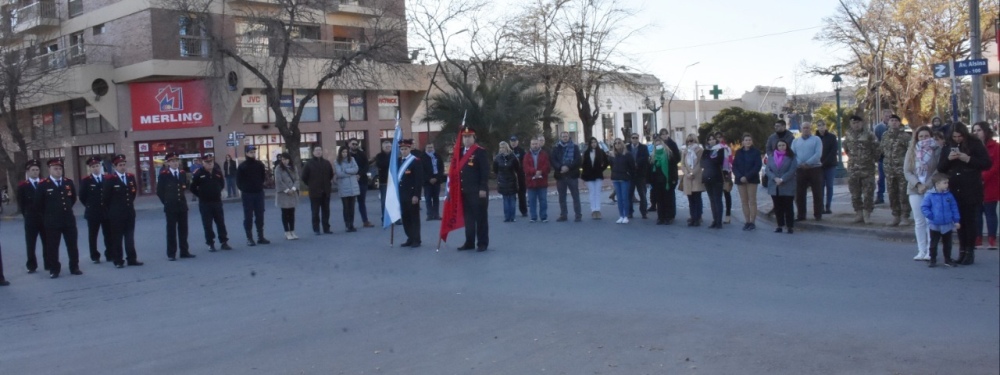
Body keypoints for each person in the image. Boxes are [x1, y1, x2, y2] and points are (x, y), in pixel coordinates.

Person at [937, 122, 992, 265]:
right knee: (959, 221)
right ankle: (961, 250)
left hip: (971, 186)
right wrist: (949, 159)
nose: (957, 139)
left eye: (960, 136)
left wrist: (967, 158)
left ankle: (969, 251)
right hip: (955, 186)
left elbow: (986, 163)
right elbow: (941, 167)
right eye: (954, 136)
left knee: (970, 220)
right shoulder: (948, 145)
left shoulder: (974, 143)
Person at [36, 158, 82, 278]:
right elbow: (38, 204)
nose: (58, 171)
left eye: (60, 168)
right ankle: (54, 269)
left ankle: (74, 267)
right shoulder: (43, 185)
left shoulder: (68, 182)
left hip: (68, 219)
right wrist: (49, 215)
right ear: (49, 169)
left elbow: (72, 199)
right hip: (52, 221)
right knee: (52, 246)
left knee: (72, 244)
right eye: (55, 168)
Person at [903, 126, 940, 261]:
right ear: (917, 137)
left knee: (930, 221)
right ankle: (921, 250)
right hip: (915, 189)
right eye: (921, 136)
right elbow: (907, 171)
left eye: (926, 136)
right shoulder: (912, 151)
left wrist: (926, 185)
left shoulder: (936, 150)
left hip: (931, 188)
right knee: (919, 221)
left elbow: (938, 170)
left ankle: (931, 251)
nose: (924, 139)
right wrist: (918, 184)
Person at [102, 154, 144, 267]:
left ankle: (132, 259)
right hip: (116, 214)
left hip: (129, 212)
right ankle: (118, 260)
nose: (123, 167)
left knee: (130, 237)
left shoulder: (130, 177)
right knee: (117, 238)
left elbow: (133, 193)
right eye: (120, 165)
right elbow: (105, 198)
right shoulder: (110, 179)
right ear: (115, 167)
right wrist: (112, 210)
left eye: (124, 164)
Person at [456, 128, 490, 251]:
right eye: (464, 137)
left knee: (480, 218)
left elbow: (485, 172)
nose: (467, 139)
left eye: (469, 137)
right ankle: (469, 242)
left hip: (477, 191)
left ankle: (482, 243)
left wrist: (482, 188)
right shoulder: (459, 152)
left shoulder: (479, 152)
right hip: (464, 191)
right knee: (468, 219)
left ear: (474, 138)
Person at [189, 153, 231, 251]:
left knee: (220, 223)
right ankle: (210, 243)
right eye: (207, 162)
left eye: (211, 161)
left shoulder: (217, 172)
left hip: (217, 202)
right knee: (207, 224)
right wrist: (201, 195)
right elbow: (192, 187)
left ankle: (224, 242)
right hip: (205, 203)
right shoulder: (199, 173)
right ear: (203, 163)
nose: (209, 164)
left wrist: (217, 192)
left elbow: (221, 184)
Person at [157, 153, 195, 261]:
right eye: (172, 161)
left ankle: (184, 251)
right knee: (171, 230)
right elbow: (160, 191)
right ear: (168, 163)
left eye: (176, 161)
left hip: (182, 205)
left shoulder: (182, 173)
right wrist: (167, 202)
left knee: (183, 230)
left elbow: (184, 188)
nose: (175, 163)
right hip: (171, 206)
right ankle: (171, 253)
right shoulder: (164, 175)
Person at [843, 115, 879, 224]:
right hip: (853, 169)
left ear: (862, 123)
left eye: (858, 122)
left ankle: (867, 214)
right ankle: (858, 213)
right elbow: (846, 149)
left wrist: (871, 160)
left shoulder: (869, 134)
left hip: (867, 169)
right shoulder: (848, 134)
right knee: (855, 193)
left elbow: (876, 149)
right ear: (851, 124)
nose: (856, 125)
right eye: (853, 123)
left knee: (868, 193)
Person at [922, 174, 961, 267]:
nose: (947, 184)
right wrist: (930, 216)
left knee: (947, 243)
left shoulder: (949, 195)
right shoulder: (930, 195)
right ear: (937, 184)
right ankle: (933, 259)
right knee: (933, 243)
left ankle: (947, 259)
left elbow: (954, 208)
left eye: (947, 182)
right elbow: (924, 207)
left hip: (947, 224)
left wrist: (956, 220)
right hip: (935, 224)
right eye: (945, 183)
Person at [880, 115, 911, 226]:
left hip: (901, 169)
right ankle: (895, 215)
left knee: (903, 193)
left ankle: (905, 216)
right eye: (891, 120)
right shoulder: (885, 135)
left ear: (899, 123)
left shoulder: (905, 136)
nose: (894, 123)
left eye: (896, 121)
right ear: (888, 122)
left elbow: (910, 152)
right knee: (892, 193)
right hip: (889, 169)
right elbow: (882, 150)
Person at [79, 156, 111, 264]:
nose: (95, 168)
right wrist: (90, 206)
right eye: (93, 167)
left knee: (108, 234)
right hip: (92, 213)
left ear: (100, 166)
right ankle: (95, 255)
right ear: (90, 168)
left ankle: (109, 253)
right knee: (93, 236)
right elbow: (82, 196)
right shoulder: (86, 181)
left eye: (97, 166)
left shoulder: (106, 179)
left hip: (106, 211)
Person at [972, 122, 998, 250]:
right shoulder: (971, 147)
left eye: (979, 130)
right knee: (977, 212)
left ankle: (992, 239)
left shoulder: (995, 147)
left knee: (990, 212)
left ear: (985, 131)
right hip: (975, 184)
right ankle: (978, 238)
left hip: (990, 184)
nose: (976, 132)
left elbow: (995, 166)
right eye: (974, 130)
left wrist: (983, 177)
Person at [237, 145, 270, 246]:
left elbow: (262, 177)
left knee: (260, 215)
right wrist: (246, 189)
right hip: (247, 194)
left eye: (254, 152)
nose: (253, 154)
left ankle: (260, 236)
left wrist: (259, 186)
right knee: (248, 217)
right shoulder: (242, 166)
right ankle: (249, 238)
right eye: (251, 152)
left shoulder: (259, 164)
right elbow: (238, 181)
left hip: (259, 193)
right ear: (246, 153)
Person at [18, 159, 46, 273]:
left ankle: (48, 263)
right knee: (30, 243)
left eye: (37, 170)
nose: (35, 172)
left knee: (47, 242)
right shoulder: (23, 186)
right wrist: (27, 215)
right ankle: (32, 265)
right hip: (31, 218)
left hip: (44, 218)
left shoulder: (44, 184)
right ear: (28, 172)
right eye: (33, 170)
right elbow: (21, 203)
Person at [792, 122, 824, 221]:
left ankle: (818, 215)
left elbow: (818, 154)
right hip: (800, 169)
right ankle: (801, 215)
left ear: (811, 129)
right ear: (801, 129)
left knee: (817, 193)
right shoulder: (795, 141)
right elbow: (792, 155)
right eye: (804, 128)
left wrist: (808, 163)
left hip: (815, 169)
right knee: (800, 194)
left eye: (808, 128)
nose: (806, 129)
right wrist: (800, 163)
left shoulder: (816, 139)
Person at [766, 139, 798, 234]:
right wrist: (775, 178)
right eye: (779, 145)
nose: (781, 147)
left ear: (786, 146)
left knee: (788, 206)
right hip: (774, 185)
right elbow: (768, 170)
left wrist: (782, 179)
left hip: (787, 184)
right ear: (776, 147)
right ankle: (779, 225)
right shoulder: (771, 157)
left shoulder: (791, 157)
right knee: (778, 207)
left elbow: (792, 170)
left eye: (783, 145)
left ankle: (790, 226)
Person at [301, 146, 334, 235]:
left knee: (326, 211)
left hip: (326, 191)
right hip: (314, 191)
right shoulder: (309, 164)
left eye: (320, 150)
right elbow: (304, 177)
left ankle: (326, 228)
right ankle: (316, 229)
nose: (318, 152)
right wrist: (311, 184)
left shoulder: (326, 163)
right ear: (313, 152)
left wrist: (327, 184)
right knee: (315, 212)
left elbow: (331, 174)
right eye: (316, 150)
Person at [733, 133, 763, 231]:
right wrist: (740, 176)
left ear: (752, 141)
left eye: (749, 140)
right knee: (744, 201)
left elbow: (757, 166)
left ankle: (753, 222)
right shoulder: (738, 152)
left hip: (752, 179)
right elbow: (734, 166)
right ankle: (747, 221)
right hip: (740, 179)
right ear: (742, 142)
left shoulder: (756, 152)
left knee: (752, 201)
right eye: (746, 140)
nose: (748, 142)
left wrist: (747, 176)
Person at [397, 139, 424, 247]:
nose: (403, 151)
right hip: (402, 194)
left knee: (414, 218)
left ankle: (416, 239)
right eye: (402, 149)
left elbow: (419, 180)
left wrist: (416, 195)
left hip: (411, 194)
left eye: (405, 149)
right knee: (405, 218)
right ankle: (410, 237)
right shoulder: (399, 161)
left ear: (410, 149)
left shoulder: (415, 161)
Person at [552, 131, 583, 222]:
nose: (565, 137)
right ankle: (563, 215)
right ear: (560, 137)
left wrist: (568, 167)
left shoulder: (575, 147)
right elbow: (553, 160)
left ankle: (578, 215)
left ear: (569, 137)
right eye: (563, 136)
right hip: (560, 175)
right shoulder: (556, 147)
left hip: (572, 175)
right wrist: (560, 167)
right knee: (562, 196)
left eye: (566, 136)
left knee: (575, 196)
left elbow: (578, 160)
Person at [523, 137, 552, 223]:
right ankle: (533, 217)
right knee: (532, 201)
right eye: (533, 144)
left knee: (543, 200)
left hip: (542, 181)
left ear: (539, 144)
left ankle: (543, 216)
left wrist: (540, 172)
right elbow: (525, 167)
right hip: (531, 181)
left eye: (536, 144)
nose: (535, 145)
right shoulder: (526, 155)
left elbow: (547, 166)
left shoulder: (544, 154)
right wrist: (534, 172)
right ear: (530, 145)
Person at [702, 134, 727, 229]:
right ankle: (714, 220)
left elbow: (719, 161)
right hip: (708, 176)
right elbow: (702, 162)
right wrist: (710, 160)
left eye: (713, 139)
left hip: (717, 176)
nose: (711, 141)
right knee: (711, 199)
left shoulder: (720, 150)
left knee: (717, 199)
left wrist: (711, 160)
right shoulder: (706, 151)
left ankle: (719, 221)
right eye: (709, 139)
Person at [273, 153, 300, 240]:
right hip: (283, 194)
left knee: (292, 213)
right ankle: (287, 232)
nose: (285, 161)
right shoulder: (278, 168)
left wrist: (293, 188)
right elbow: (278, 181)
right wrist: (287, 190)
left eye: (286, 159)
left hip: (293, 192)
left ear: (289, 159)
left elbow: (297, 179)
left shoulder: (293, 167)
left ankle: (292, 231)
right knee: (285, 213)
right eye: (283, 159)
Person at [348, 138, 374, 228]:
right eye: (353, 144)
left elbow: (366, 166)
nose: (354, 145)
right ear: (349, 144)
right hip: (350, 181)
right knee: (350, 203)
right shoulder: (346, 155)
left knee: (361, 201)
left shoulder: (362, 154)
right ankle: (350, 223)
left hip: (362, 181)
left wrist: (359, 174)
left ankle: (365, 221)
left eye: (356, 144)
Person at [581, 137, 609, 220]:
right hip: (589, 176)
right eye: (592, 142)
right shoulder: (586, 153)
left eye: (595, 142)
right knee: (592, 193)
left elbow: (607, 162)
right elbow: (584, 165)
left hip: (598, 175)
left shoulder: (601, 152)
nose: (594, 144)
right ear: (590, 144)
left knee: (597, 193)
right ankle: (593, 209)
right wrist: (583, 177)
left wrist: (601, 169)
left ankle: (598, 209)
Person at [609, 139, 635, 224]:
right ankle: (621, 215)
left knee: (625, 198)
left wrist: (629, 174)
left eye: (619, 143)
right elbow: (611, 166)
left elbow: (632, 167)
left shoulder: (628, 154)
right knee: (619, 198)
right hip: (616, 178)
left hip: (624, 178)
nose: (617, 144)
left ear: (622, 144)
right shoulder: (613, 155)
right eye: (615, 143)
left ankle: (626, 215)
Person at [335, 146, 361, 232]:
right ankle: (347, 224)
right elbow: (339, 174)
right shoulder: (337, 161)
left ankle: (352, 224)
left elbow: (356, 169)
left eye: (346, 152)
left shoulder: (352, 159)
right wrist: (351, 173)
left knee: (352, 207)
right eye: (343, 152)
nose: (344, 154)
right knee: (346, 207)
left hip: (353, 187)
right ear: (340, 153)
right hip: (343, 187)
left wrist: (346, 170)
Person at [681, 134, 705, 227]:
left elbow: (700, 163)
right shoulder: (685, 151)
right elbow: (682, 164)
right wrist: (687, 173)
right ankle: (692, 217)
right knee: (690, 199)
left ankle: (698, 217)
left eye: (692, 141)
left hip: (696, 176)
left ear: (696, 141)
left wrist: (692, 173)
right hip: (688, 178)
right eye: (688, 141)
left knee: (697, 198)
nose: (690, 143)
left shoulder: (700, 150)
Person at [494, 141, 521, 223]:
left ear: (506, 148)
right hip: (502, 181)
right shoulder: (497, 158)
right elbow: (495, 169)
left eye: (503, 147)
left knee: (512, 199)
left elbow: (517, 168)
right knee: (505, 199)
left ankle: (512, 217)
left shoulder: (513, 157)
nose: (501, 149)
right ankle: (507, 217)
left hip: (512, 180)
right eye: (500, 147)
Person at [816, 120, 839, 214]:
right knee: (820, 186)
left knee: (829, 186)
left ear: (826, 126)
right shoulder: (815, 138)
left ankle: (828, 206)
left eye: (823, 125)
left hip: (830, 165)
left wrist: (824, 162)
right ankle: (820, 207)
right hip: (818, 166)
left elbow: (833, 151)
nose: (821, 127)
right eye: (819, 125)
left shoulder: (832, 137)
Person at [659, 130, 682, 223]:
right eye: (662, 134)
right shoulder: (658, 144)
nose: (664, 136)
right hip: (660, 175)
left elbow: (677, 158)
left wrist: (668, 158)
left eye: (666, 134)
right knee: (661, 197)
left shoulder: (672, 144)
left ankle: (670, 215)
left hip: (670, 173)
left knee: (670, 196)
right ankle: (662, 215)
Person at [649, 139, 673, 225]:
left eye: (659, 144)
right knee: (659, 200)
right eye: (656, 144)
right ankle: (660, 217)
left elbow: (672, 168)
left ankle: (668, 217)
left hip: (666, 180)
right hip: (656, 181)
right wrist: (651, 180)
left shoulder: (668, 154)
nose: (658, 145)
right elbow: (651, 169)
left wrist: (672, 180)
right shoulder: (653, 156)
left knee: (667, 199)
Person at [626, 133, 650, 219]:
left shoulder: (643, 147)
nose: (635, 139)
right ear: (631, 139)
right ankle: (629, 212)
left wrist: (637, 163)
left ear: (638, 138)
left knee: (642, 194)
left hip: (641, 174)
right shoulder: (627, 147)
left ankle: (644, 212)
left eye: (636, 138)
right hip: (630, 175)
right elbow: (625, 159)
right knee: (629, 195)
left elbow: (646, 158)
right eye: (633, 138)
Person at [873, 109, 892, 204]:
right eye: (886, 116)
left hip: (893, 158)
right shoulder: (878, 128)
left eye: (890, 116)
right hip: (882, 157)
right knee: (881, 178)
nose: (888, 118)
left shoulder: (895, 127)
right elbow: (875, 142)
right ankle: (880, 196)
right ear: (882, 117)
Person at [422, 143, 445, 221]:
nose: (430, 149)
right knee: (428, 198)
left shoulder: (437, 156)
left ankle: (436, 214)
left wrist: (436, 178)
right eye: (428, 147)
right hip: (427, 182)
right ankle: (429, 215)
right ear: (425, 148)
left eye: (431, 147)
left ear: (433, 148)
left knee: (436, 198)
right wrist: (429, 179)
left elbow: (441, 168)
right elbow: (421, 170)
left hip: (436, 181)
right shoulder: (422, 157)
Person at [373, 140, 393, 223]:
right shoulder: (379, 156)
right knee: (384, 201)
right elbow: (381, 164)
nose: (388, 148)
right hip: (384, 181)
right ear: (383, 147)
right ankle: (385, 218)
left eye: (389, 147)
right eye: (386, 147)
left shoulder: (394, 155)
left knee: (394, 201)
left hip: (394, 182)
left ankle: (396, 218)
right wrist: (390, 163)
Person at [717, 133, 734, 224]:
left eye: (720, 137)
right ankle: (717, 215)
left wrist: (729, 173)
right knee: (717, 196)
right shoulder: (713, 148)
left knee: (727, 194)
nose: (718, 139)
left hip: (725, 172)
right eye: (717, 138)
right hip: (716, 173)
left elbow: (730, 161)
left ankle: (728, 215)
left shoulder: (727, 148)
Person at [509, 136, 528, 217]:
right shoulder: (507, 150)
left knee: (522, 194)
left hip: (520, 176)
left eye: (515, 141)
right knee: (511, 195)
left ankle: (524, 211)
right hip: (510, 176)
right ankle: (511, 212)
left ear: (518, 142)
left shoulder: (521, 151)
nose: (513, 142)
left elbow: (525, 162)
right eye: (512, 141)